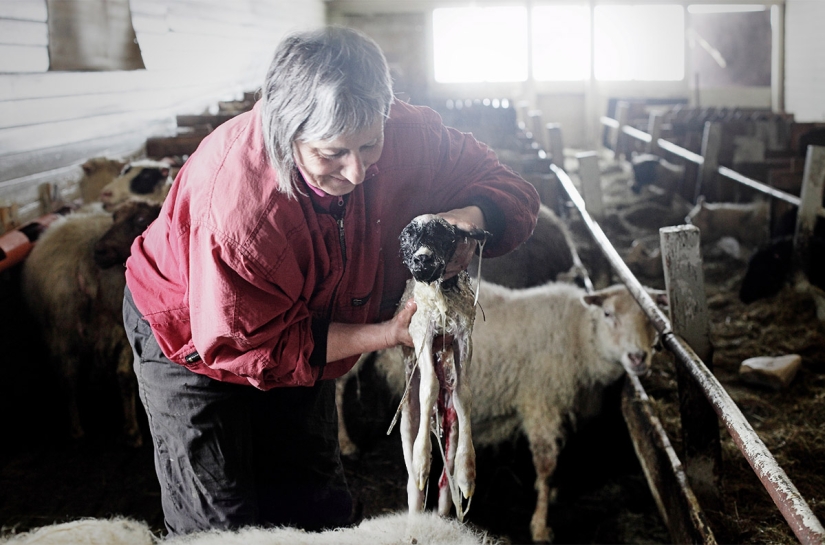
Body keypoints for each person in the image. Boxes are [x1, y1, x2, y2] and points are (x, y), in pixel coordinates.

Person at [122, 25, 540, 536]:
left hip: (308, 314)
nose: (358, 172)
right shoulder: (241, 213)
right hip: (193, 335)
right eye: (331, 154)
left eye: (370, 145)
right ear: (286, 131)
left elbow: (508, 187)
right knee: (223, 522)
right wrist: (385, 333)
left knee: (312, 504)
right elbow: (257, 345)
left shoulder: (406, 136)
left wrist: (461, 227)